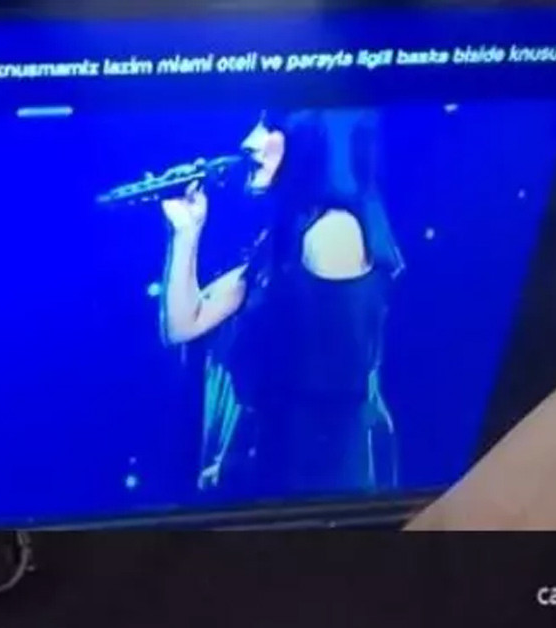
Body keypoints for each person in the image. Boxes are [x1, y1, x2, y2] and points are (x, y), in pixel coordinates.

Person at [159, 109, 403, 497]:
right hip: (274, 476)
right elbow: (185, 323)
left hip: (314, 488)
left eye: (271, 127)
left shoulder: (334, 232)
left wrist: (244, 464)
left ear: (315, 139)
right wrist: (186, 232)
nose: (249, 142)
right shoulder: (282, 243)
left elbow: (332, 396)